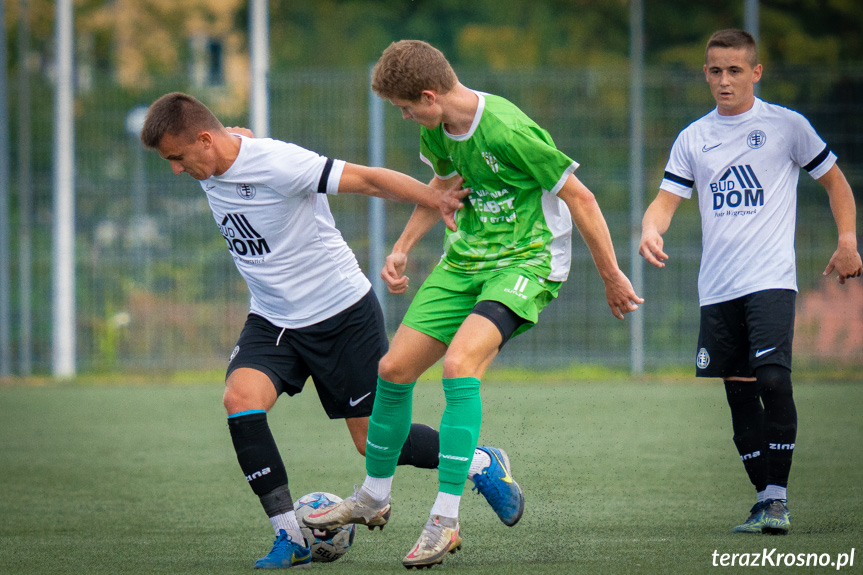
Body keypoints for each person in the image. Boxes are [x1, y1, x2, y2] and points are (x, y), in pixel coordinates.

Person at [304, 40, 642, 568]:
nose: (405, 116)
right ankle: (373, 496)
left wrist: (612, 275)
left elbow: (581, 197)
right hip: (465, 261)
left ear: (430, 94)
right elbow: (444, 186)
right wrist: (402, 247)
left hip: (526, 263)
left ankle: (444, 520)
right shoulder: (437, 130)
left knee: (460, 366)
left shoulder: (506, 128)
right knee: (392, 370)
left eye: (405, 106)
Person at [140, 91, 511, 569]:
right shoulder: (216, 155)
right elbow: (238, 140)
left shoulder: (280, 164)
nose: (176, 169)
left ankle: (481, 462)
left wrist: (435, 197)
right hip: (273, 319)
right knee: (240, 400)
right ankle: (289, 536)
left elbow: (368, 179)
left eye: (178, 158)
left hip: (341, 315)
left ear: (205, 140)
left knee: (372, 442)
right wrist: (235, 138)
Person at [639, 29, 862, 536]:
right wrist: (651, 228)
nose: (724, 80)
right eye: (715, 71)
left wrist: (847, 240)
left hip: (771, 280)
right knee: (739, 394)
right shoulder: (693, 137)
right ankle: (764, 501)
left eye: (735, 70)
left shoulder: (787, 126)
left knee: (773, 379)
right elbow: (667, 200)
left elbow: (835, 182)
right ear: (705, 73)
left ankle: (779, 498)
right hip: (718, 288)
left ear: (755, 73)